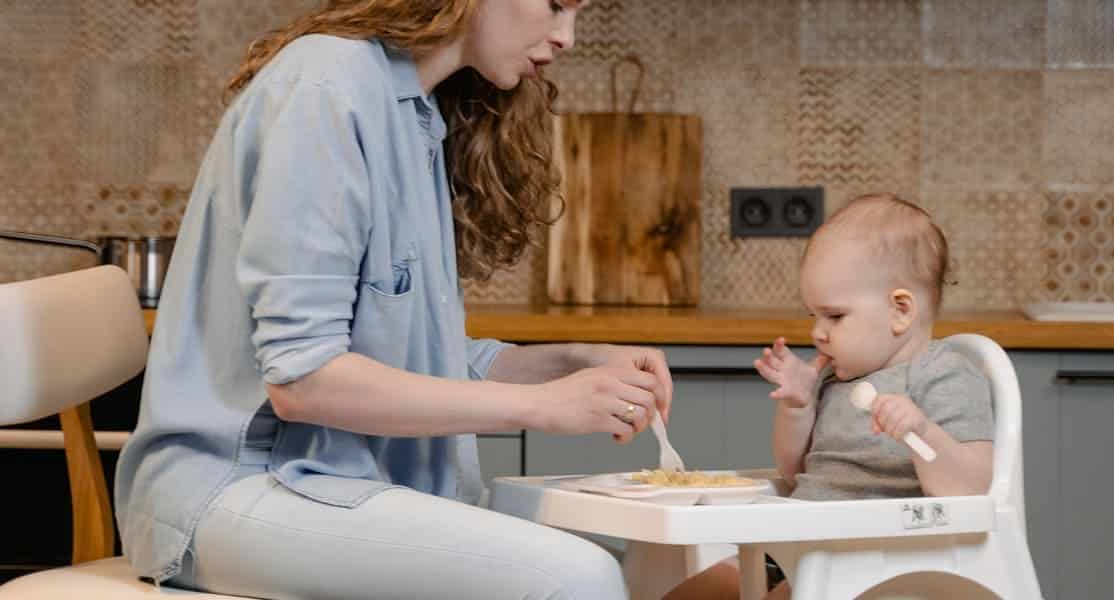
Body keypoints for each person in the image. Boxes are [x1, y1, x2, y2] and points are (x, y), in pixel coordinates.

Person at [114, 2, 674, 599]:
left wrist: (573, 363)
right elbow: (304, 380)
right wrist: (539, 406)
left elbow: (405, 356)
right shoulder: (327, 88)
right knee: (578, 579)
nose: (566, 37)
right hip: (235, 487)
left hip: (338, 480)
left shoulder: (414, 111)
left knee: (673, 571)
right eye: (556, 4)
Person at [664, 194, 995, 600]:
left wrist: (920, 430)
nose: (818, 332)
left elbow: (971, 489)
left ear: (901, 311)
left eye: (834, 316)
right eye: (813, 316)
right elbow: (792, 471)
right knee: (693, 594)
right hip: (800, 541)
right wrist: (798, 407)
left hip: (880, 557)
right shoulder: (835, 378)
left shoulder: (943, 373)